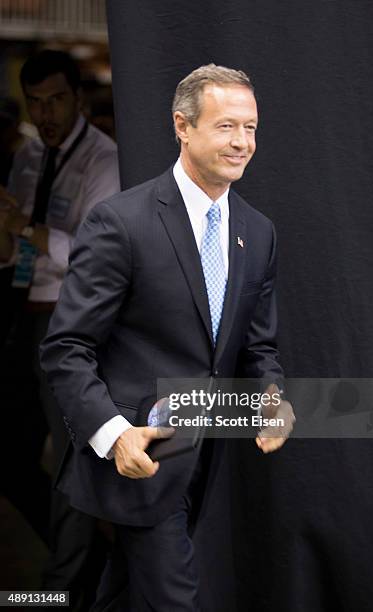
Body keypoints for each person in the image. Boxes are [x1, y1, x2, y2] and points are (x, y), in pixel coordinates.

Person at [40, 64, 295, 611]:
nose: (243, 142)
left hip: (207, 464)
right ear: (182, 126)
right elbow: (66, 348)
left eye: (251, 128)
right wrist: (113, 434)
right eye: (227, 126)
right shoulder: (120, 223)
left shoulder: (258, 231)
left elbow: (258, 345)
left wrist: (271, 397)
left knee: (119, 594)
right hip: (138, 459)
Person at [0, 49, 120, 609]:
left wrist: (25, 227)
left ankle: (62, 589)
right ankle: (80, 561)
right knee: (13, 453)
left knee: (74, 460)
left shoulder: (102, 160)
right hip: (21, 311)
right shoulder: (28, 156)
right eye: (36, 102)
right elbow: (18, 247)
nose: (45, 114)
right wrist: (12, 233)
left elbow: (91, 258)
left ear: (76, 99)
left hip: (70, 320)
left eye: (55, 101)